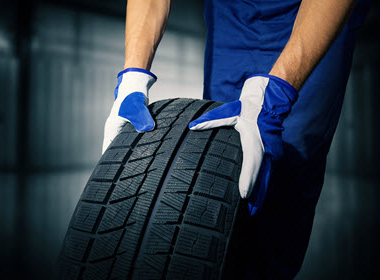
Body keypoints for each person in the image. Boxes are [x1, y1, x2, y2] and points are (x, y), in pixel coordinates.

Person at [102, 0, 370, 278]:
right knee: (222, 163)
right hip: (232, 12)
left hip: (310, 12)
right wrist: (132, 76)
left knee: (284, 172)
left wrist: (276, 94)